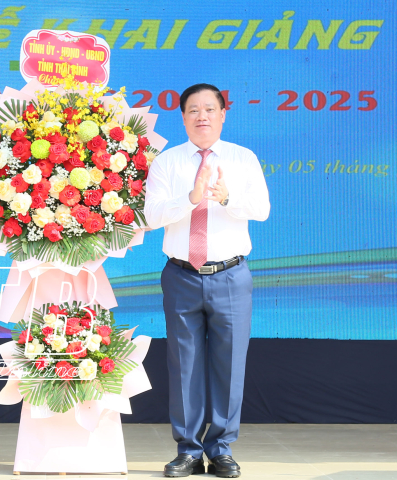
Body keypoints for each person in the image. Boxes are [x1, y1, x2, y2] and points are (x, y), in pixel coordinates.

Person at [145, 83, 270, 478]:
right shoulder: (167, 162)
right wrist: (193, 196)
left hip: (231, 274)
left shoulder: (243, 158)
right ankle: (187, 450)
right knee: (183, 365)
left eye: (210, 109)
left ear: (222, 114)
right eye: (193, 110)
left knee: (230, 364)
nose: (202, 116)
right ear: (182, 117)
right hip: (182, 274)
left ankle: (221, 449)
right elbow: (153, 216)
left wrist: (228, 197)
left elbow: (262, 210)